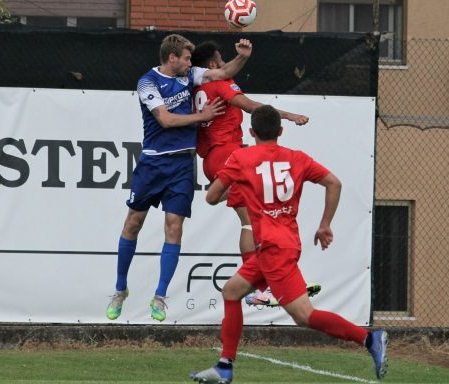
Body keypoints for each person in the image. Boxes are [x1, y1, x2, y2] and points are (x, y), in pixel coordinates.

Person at [190, 105, 388, 383]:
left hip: (273, 250)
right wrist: (324, 224)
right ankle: (224, 366)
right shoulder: (297, 158)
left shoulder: (241, 158)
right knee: (232, 291)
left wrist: (239, 186)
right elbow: (334, 183)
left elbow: (211, 197)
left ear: (251, 132)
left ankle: (369, 339)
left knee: (304, 316)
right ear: (281, 131)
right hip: (281, 244)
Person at [106, 34, 253, 322]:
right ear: (171, 58)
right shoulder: (147, 82)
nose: (190, 63)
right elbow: (166, 120)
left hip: (182, 165)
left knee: (174, 229)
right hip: (153, 162)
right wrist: (202, 117)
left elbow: (223, 72)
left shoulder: (190, 76)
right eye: (186, 58)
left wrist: (244, 57)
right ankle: (120, 289)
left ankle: (159, 297)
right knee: (132, 224)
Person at [190, 41, 319, 307]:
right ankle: (261, 286)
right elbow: (252, 107)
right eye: (221, 59)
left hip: (213, 157)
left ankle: (263, 285)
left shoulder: (196, 87)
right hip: (228, 153)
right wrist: (289, 115)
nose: (225, 63)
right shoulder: (220, 84)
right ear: (214, 66)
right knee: (253, 220)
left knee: (251, 220)